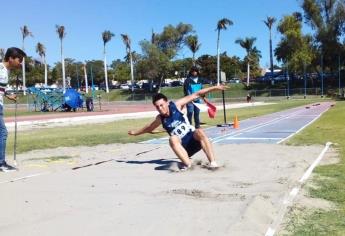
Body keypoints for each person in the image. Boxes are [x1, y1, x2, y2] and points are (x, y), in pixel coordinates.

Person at [128, 85, 227, 170]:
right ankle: (188, 165)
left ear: (167, 102)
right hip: (182, 148)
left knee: (199, 131)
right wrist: (135, 133)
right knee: (173, 138)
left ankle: (213, 164)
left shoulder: (177, 105)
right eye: (157, 107)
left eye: (161, 105)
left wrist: (215, 87)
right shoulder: (160, 118)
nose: (160, 108)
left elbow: (196, 94)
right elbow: (149, 128)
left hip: (194, 140)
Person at [0, 47, 26, 172]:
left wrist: (7, 95)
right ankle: (1, 163)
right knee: (3, 133)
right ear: (10, 58)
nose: (20, 63)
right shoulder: (0, 69)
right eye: (19, 60)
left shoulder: (6, 71)